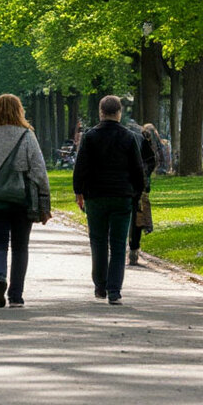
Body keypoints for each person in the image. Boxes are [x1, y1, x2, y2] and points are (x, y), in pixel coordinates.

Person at [0, 94, 51, 309]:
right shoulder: (26, 135)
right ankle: (16, 296)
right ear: (19, 110)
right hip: (21, 199)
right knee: (20, 247)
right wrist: (44, 199)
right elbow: (39, 169)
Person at [74, 95, 146, 305]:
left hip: (95, 196)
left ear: (101, 112)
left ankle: (100, 285)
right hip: (122, 196)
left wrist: (79, 192)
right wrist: (137, 193)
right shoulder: (128, 137)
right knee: (117, 244)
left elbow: (81, 167)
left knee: (97, 241)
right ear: (119, 113)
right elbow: (137, 169)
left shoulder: (90, 137)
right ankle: (114, 290)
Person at [131, 123, 163, 265]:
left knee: (135, 217)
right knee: (137, 217)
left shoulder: (134, 140)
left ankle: (132, 247)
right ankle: (134, 248)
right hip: (141, 186)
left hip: (134, 185)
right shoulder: (143, 143)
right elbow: (152, 161)